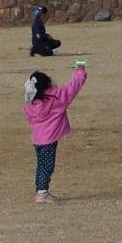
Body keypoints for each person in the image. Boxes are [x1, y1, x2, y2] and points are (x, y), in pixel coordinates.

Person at [23, 60, 87, 204]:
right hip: (49, 139)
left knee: (41, 165)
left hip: (37, 138)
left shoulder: (29, 102)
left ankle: (40, 190)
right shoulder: (56, 97)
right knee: (47, 166)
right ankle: (42, 193)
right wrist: (80, 70)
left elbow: (29, 118)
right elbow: (73, 87)